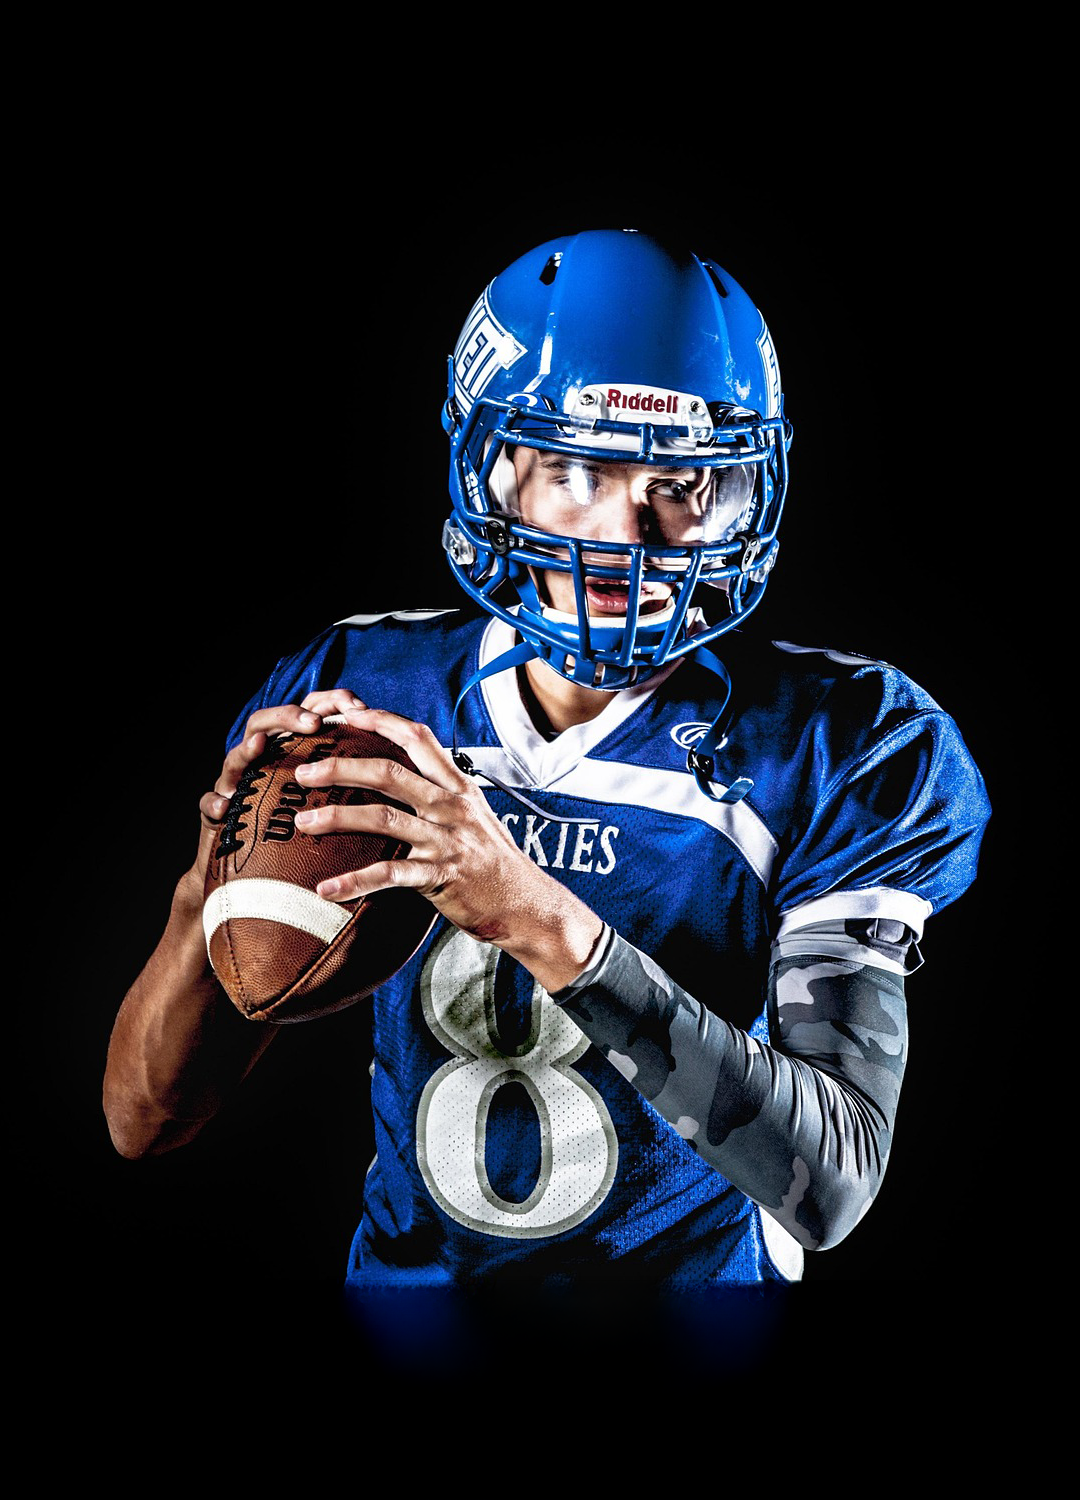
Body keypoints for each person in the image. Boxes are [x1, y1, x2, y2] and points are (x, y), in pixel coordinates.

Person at [104, 229, 989, 1291]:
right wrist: (205, 898)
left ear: (744, 490)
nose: (629, 531)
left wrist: (528, 911)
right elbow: (140, 1122)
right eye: (575, 468)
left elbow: (828, 1181)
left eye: (679, 480)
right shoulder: (363, 688)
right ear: (497, 468)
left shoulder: (842, 738)